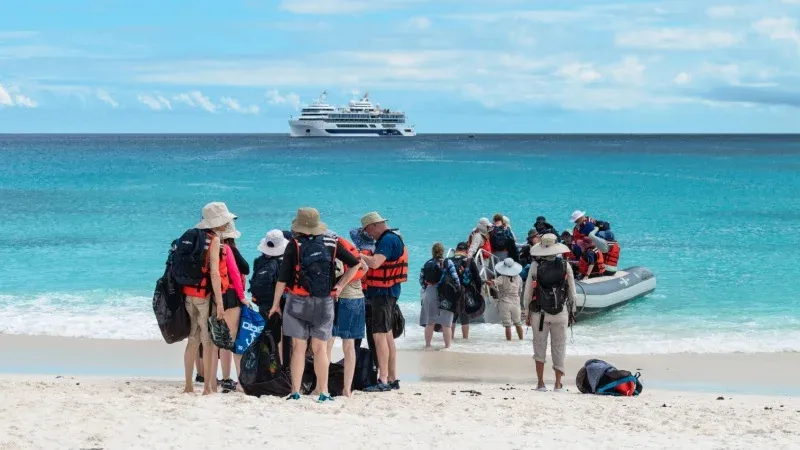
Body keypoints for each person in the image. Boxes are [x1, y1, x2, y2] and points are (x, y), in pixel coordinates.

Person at [267, 208, 361, 403]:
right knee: (320, 349)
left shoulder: (294, 245)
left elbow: (282, 279)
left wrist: (275, 304)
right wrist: (340, 286)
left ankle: (295, 391)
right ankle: (324, 391)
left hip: (297, 302)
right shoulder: (331, 243)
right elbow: (355, 264)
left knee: (298, 348)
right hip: (324, 301)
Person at [183, 202, 235, 395]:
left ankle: (188, 386)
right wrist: (220, 304)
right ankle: (207, 388)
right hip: (205, 295)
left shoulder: (191, 237)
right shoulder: (212, 240)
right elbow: (214, 273)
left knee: (193, 339)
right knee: (208, 341)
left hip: (189, 294)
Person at [522, 233, 578, 392]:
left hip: (539, 313)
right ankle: (558, 384)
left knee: (539, 346)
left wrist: (527, 312)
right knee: (559, 347)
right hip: (560, 312)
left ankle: (540, 383)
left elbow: (528, 292)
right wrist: (572, 312)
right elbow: (572, 293)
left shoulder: (535, 266)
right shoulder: (565, 265)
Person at [360, 211, 408, 392]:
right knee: (387, 336)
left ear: (373, 226)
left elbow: (374, 263)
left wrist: (357, 255)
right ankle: (393, 379)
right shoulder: (394, 238)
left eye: (368, 231)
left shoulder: (387, 240)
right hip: (389, 292)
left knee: (379, 336)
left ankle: (384, 380)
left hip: (383, 293)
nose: (369, 234)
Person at [326, 233, 369, 398]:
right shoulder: (352, 251)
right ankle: (347, 389)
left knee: (328, 343)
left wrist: (340, 285)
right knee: (349, 346)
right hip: (357, 299)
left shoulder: (333, 251)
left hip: (339, 299)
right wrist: (353, 280)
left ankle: (323, 384)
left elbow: (335, 273)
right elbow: (363, 268)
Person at [218, 221, 249, 393]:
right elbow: (241, 270)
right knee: (235, 339)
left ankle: (224, 378)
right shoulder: (229, 249)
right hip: (230, 295)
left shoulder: (209, 246)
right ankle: (241, 381)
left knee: (222, 340)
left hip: (214, 296)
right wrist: (243, 297)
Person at [250, 229, 289, 363]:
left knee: (267, 335)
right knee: (280, 338)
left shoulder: (259, 261)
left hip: (262, 304)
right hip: (277, 305)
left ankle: (266, 366)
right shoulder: (281, 262)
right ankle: (280, 367)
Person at [420, 243, 460, 349]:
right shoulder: (447, 262)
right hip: (445, 292)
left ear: (432, 251)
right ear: (442, 251)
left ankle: (428, 345)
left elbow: (421, 280)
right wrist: (458, 289)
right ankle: (447, 346)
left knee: (430, 321)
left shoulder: (427, 263)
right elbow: (455, 277)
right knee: (446, 323)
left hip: (430, 291)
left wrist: (426, 288)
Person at [450, 242, 482, 339]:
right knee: (465, 316)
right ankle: (465, 340)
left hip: (452, 290)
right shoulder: (469, 260)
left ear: (456, 250)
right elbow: (477, 278)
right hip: (466, 291)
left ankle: (450, 339)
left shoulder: (449, 260)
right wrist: (478, 292)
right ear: (466, 250)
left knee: (453, 316)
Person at [490, 258, 524, 341]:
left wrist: (487, 282)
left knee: (508, 325)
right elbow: (520, 290)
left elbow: (493, 283)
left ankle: (508, 344)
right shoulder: (518, 277)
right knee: (518, 323)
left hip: (504, 302)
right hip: (516, 302)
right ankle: (521, 341)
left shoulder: (501, 277)